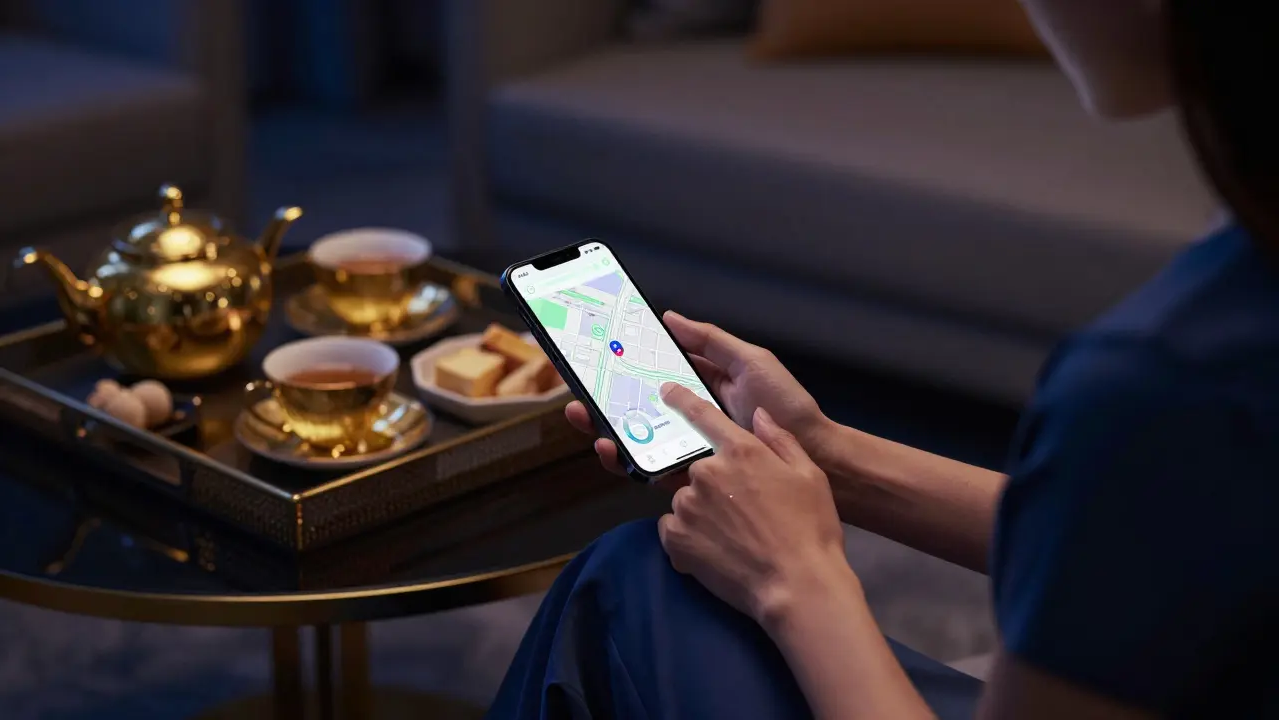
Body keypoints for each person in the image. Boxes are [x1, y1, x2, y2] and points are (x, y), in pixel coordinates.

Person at [488, 0, 1279, 717]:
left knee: (625, 584)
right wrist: (828, 457)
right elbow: (1149, 535)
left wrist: (796, 578)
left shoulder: (1161, 383)